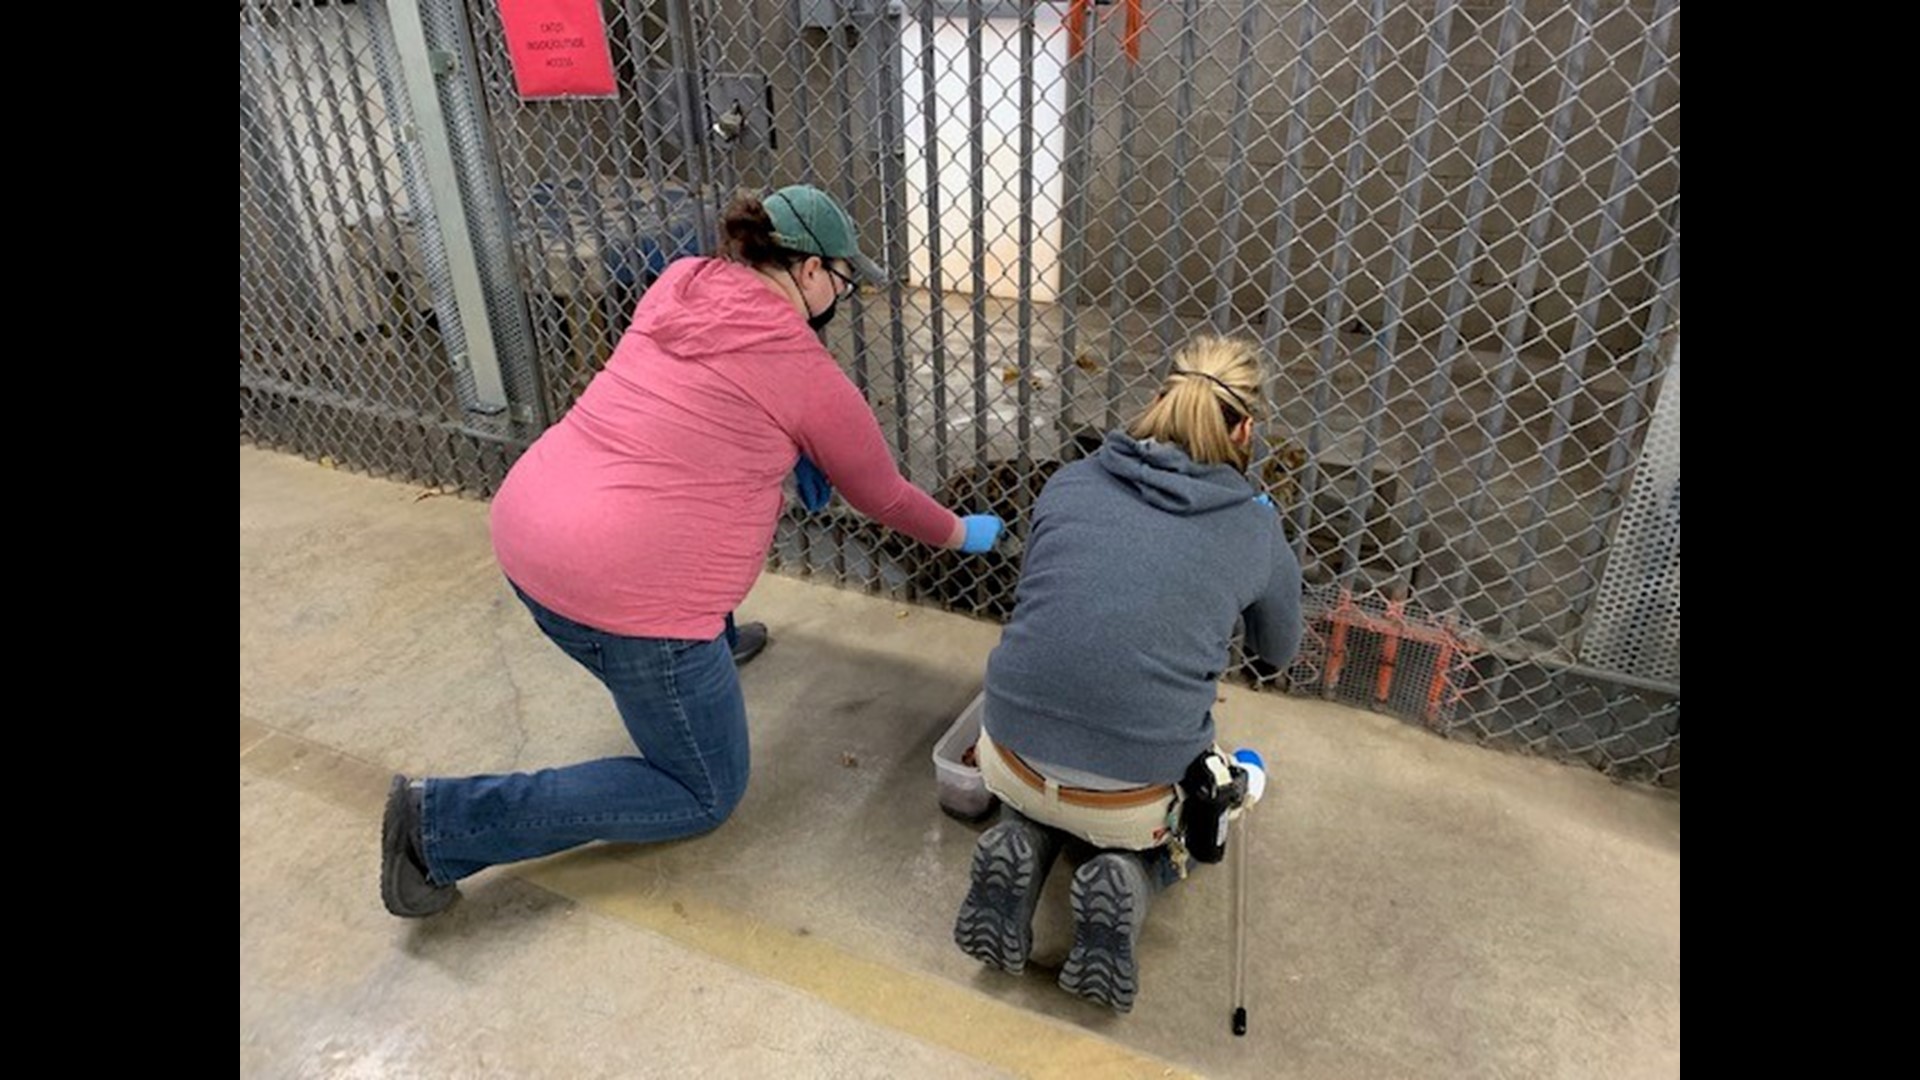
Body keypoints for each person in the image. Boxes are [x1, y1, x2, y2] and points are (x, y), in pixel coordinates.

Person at [380, 183, 1006, 918]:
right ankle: (439, 825)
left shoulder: (680, 282)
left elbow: (696, 416)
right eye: (842, 278)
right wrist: (962, 532)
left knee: (709, 489)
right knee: (702, 790)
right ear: (809, 270)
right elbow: (886, 498)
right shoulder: (809, 377)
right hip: (620, 597)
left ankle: (714, 645)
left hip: (527, 523)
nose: (843, 294)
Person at [951, 334, 1302, 1012]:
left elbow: (1050, 601)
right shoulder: (1255, 528)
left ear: (1159, 400)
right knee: (1196, 812)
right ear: (1245, 429)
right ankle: (1132, 877)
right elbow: (1277, 652)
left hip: (1007, 750)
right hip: (1132, 797)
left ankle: (1023, 838)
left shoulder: (1070, 480)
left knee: (1053, 783)